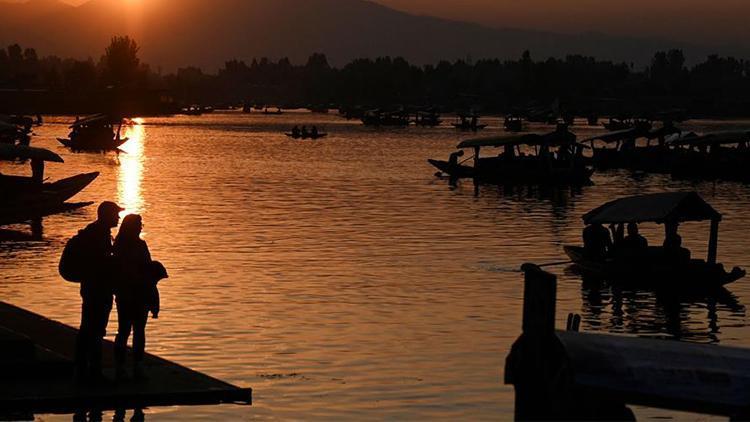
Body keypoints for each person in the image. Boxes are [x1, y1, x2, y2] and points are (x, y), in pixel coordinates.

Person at [74, 201, 122, 382]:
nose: (118, 218)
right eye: (115, 214)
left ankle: (83, 370)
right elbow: (101, 265)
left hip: (93, 288)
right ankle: (91, 371)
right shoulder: (98, 236)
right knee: (93, 330)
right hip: (97, 289)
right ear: (106, 215)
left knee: (89, 329)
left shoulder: (96, 232)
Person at [113, 214, 157, 379]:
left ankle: (128, 367)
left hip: (131, 294)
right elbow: (147, 269)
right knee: (132, 330)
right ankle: (131, 367)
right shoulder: (132, 246)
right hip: (131, 294)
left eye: (141, 224)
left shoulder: (119, 245)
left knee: (130, 331)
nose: (141, 227)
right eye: (138, 224)